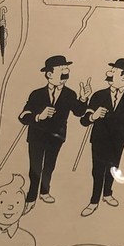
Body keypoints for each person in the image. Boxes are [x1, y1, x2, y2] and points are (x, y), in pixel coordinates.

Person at [17, 56, 92, 209]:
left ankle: (44, 192)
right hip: (36, 137)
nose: (66, 74)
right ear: (49, 74)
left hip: (56, 137)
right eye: (61, 71)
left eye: (66, 71)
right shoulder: (37, 94)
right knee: (35, 167)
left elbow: (78, 112)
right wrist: (39, 116)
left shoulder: (69, 94)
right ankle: (32, 196)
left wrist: (83, 99)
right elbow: (23, 116)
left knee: (49, 166)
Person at [79, 58, 124, 217]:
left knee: (113, 168)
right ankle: (94, 201)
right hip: (99, 139)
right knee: (97, 170)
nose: (109, 73)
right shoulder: (99, 95)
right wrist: (93, 116)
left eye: (114, 71)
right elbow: (84, 120)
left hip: (119, 140)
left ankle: (107, 193)